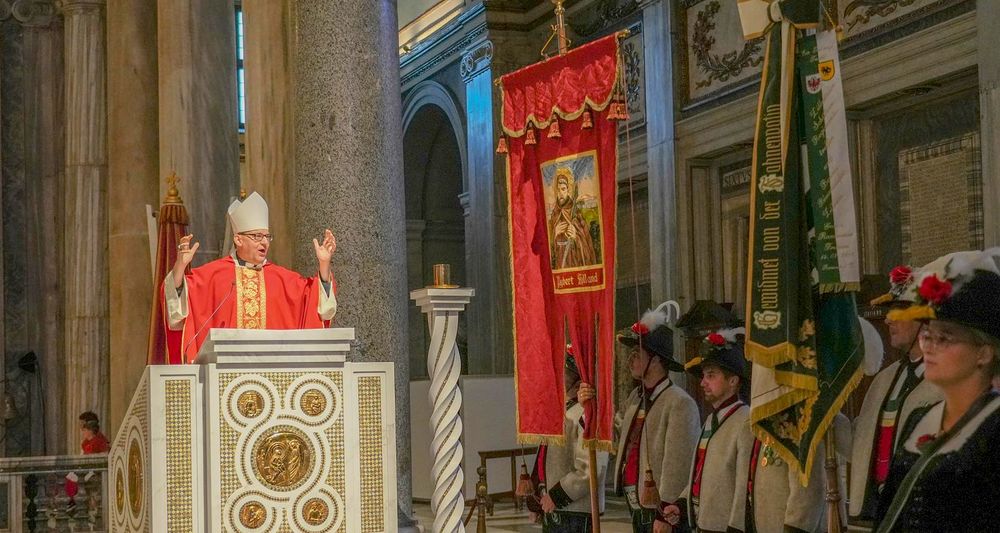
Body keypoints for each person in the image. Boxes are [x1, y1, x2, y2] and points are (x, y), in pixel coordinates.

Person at [874, 248, 1000, 532]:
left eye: (944, 337)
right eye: (927, 334)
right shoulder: (921, 418)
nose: (928, 346)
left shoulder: (994, 428)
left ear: (984, 352)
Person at [164, 192, 338, 362]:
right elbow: (178, 308)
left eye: (267, 237)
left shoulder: (282, 279)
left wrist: (324, 264)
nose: (264, 242)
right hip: (221, 379)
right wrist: (180, 266)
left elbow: (317, 302)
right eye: (257, 236)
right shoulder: (214, 276)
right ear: (238, 240)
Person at [582, 301, 699, 533]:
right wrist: (590, 408)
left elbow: (678, 463)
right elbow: (614, 436)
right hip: (636, 504)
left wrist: (665, 511)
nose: (630, 360)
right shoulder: (635, 398)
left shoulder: (678, 402)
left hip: (663, 511)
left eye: (637, 354)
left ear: (655, 360)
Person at [848, 265, 943, 532]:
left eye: (898, 312)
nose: (888, 320)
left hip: (918, 516)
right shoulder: (883, 380)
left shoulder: (947, 382)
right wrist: (827, 419)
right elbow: (859, 442)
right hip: (876, 512)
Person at [662, 327, 754, 533]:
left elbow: (743, 486)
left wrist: (737, 526)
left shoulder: (745, 422)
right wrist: (680, 504)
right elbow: (700, 474)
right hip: (702, 524)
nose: (703, 382)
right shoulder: (711, 420)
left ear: (733, 380)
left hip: (725, 528)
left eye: (711, 375)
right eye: (703, 376)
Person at [527, 348, 609, 532]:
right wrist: (536, 500)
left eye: (561, 371)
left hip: (575, 510)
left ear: (576, 376)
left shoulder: (587, 412)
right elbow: (543, 458)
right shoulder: (563, 411)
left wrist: (557, 496)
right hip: (555, 507)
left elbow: (590, 468)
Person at [548, 168, 597, 269]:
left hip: (575, 266)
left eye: (563, 189)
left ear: (568, 190)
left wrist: (576, 237)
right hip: (559, 269)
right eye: (558, 190)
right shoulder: (554, 216)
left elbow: (587, 245)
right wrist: (554, 234)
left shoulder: (576, 215)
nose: (560, 193)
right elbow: (545, 251)